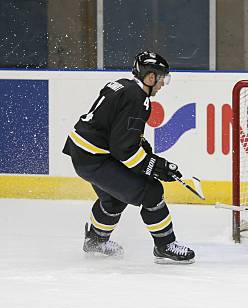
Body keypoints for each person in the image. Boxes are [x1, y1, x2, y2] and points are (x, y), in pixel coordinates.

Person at [62, 51, 195, 264]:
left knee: (113, 197)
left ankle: (95, 242)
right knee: (152, 191)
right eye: (162, 79)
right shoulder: (138, 99)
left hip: (83, 152)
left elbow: (119, 133)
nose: (162, 85)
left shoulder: (123, 85)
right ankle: (165, 245)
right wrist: (156, 166)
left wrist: (148, 155)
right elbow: (124, 150)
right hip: (95, 158)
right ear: (150, 77)